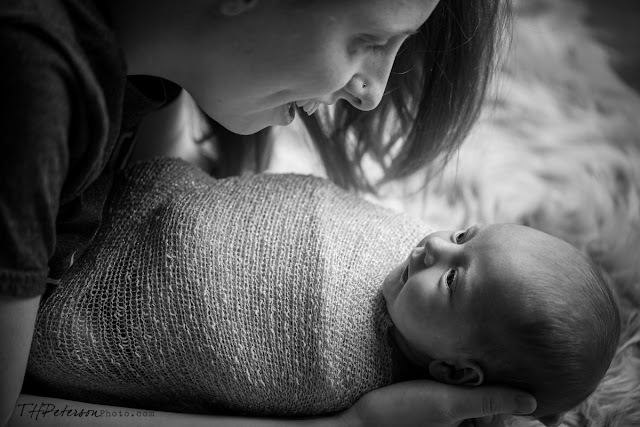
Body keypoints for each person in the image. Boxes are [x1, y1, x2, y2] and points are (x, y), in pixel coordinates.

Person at [0, 0, 538, 425]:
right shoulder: (30, 92)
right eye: (370, 40)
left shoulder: (149, 67)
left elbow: (154, 179)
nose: (373, 94)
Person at [26, 158, 619, 427]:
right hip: (138, 198)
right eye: (464, 234)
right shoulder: (399, 239)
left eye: (452, 278)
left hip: (87, 304)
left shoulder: (363, 388)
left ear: (457, 373)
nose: (433, 245)